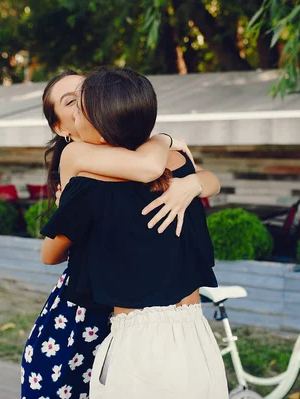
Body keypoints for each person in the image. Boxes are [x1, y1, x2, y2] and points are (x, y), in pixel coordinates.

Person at [21, 70, 221, 399]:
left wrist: (195, 182)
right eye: (71, 103)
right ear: (60, 127)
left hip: (133, 330)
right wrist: (165, 142)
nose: (76, 111)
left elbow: (49, 255)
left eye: (82, 102)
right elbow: (154, 169)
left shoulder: (90, 184)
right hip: (192, 331)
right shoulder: (167, 163)